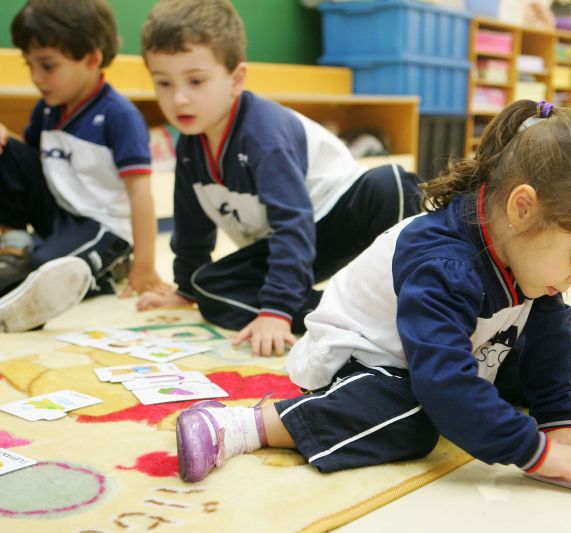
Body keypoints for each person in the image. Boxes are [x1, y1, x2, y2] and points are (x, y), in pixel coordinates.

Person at [173, 101, 571, 487]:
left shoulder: (527, 250)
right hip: (371, 360)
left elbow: (551, 336)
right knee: (416, 416)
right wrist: (535, 449)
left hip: (466, 350)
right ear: (523, 207)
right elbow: (440, 380)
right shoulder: (441, 258)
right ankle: (245, 425)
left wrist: (556, 420)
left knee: (567, 356)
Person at [136, 0, 421, 356]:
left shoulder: (263, 135)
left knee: (390, 182)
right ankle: (341, 316)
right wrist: (186, 289)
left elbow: (292, 222)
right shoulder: (191, 146)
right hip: (286, 246)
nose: (178, 99)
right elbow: (192, 228)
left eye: (195, 81)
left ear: (236, 79)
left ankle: (416, 302)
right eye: (163, 83)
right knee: (208, 288)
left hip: (335, 217)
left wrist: (277, 308)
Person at [0, 0, 167, 332]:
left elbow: (140, 195)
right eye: (29, 65)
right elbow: (25, 164)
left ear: (92, 59)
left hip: (102, 225)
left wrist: (146, 267)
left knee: (43, 270)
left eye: (47, 66)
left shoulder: (119, 116)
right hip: (58, 215)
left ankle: (108, 271)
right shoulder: (47, 109)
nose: (36, 77)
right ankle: (15, 244)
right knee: (4, 148)